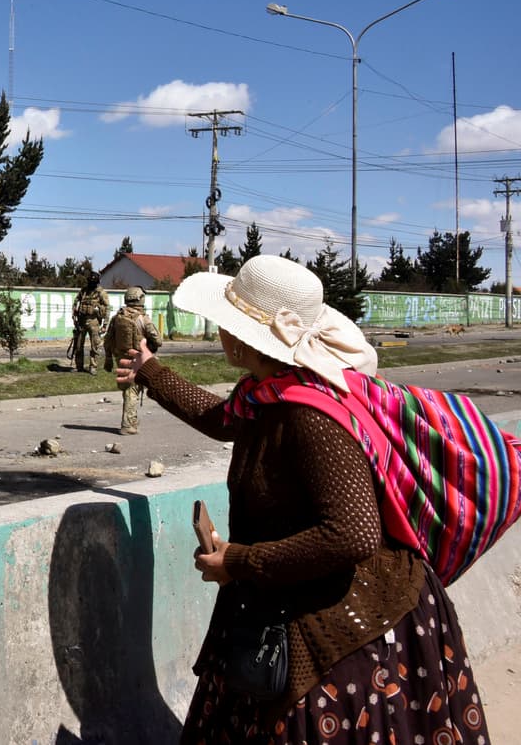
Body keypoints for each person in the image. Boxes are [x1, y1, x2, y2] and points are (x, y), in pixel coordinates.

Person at [115, 255, 492, 743]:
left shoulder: (310, 415)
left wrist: (240, 560)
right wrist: (152, 370)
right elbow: (223, 419)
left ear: (246, 335)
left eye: (226, 322)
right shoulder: (267, 393)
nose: (219, 330)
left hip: (354, 630)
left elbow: (353, 534)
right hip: (290, 603)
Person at [103, 286, 161, 435]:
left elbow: (108, 338)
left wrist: (108, 358)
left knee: (128, 389)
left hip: (120, 357)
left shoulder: (118, 317)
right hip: (137, 357)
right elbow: (158, 339)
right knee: (132, 390)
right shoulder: (142, 318)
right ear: (140, 299)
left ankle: (132, 419)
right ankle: (128, 424)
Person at [69, 271, 109, 374]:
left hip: (94, 321)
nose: (91, 283)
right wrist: (74, 315)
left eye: (93, 281)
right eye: (90, 281)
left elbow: (107, 308)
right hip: (81, 321)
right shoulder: (83, 291)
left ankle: (93, 367)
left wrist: (105, 325)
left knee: (94, 346)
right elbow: (76, 302)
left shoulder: (101, 292)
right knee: (78, 345)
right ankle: (79, 366)